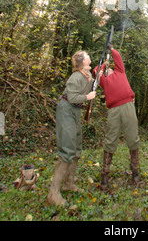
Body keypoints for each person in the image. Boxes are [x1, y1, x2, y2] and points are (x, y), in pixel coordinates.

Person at [47, 51, 96, 207]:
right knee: (67, 150)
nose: (90, 58)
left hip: (76, 111)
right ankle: (53, 193)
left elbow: (94, 81)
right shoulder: (75, 77)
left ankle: (68, 184)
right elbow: (73, 97)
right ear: (82, 62)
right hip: (66, 110)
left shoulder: (87, 76)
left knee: (76, 149)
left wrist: (102, 71)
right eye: (87, 56)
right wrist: (88, 97)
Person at [94, 46, 140, 190]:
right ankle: (105, 174)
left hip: (128, 106)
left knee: (133, 138)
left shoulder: (120, 71)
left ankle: (135, 172)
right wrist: (103, 66)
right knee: (110, 140)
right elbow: (95, 72)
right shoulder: (104, 81)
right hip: (113, 111)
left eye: (109, 68)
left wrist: (112, 49)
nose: (108, 70)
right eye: (107, 71)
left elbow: (118, 58)